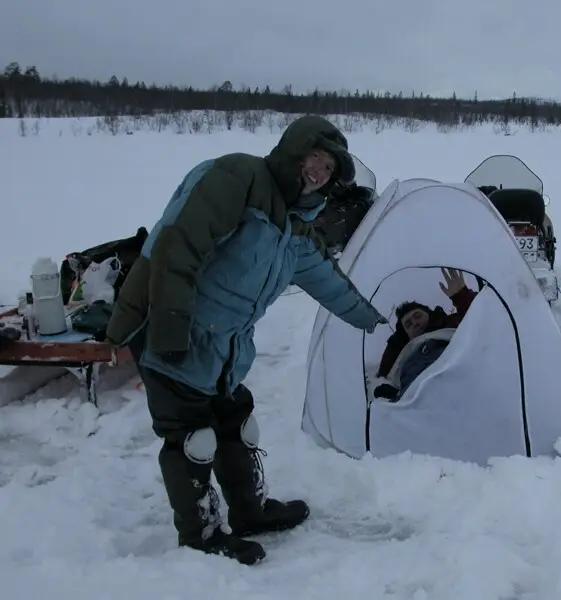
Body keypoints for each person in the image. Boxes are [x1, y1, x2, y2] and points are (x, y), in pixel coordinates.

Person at [106, 115, 387, 565]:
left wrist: (378, 322)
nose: (318, 173)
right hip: (167, 324)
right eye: (315, 160)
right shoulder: (236, 177)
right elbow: (178, 245)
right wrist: (171, 331)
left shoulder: (295, 229)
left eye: (328, 170)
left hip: (220, 347)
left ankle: (249, 512)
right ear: (295, 151)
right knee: (191, 435)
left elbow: (331, 284)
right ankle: (203, 536)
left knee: (234, 421)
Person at [372, 268, 477, 401]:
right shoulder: (407, 352)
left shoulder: (452, 322)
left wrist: (462, 296)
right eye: (408, 324)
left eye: (417, 316)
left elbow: (483, 319)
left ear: (429, 314)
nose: (415, 323)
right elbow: (384, 371)